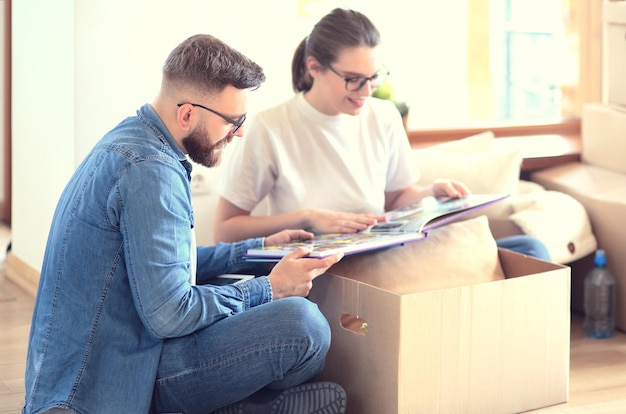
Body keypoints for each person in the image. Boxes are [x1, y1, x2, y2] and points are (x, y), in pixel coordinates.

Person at [23, 34, 349, 414]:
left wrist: (254, 250)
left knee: (260, 302)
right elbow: (171, 313)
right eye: (234, 120)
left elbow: (166, 267)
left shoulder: (131, 143)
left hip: (107, 360)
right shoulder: (150, 172)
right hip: (115, 381)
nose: (240, 132)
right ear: (188, 115)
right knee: (303, 325)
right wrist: (269, 290)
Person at [212, 8, 550, 262]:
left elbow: (395, 198)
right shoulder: (272, 127)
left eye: (374, 78)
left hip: (383, 249)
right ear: (314, 67)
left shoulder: (383, 115)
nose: (366, 91)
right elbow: (225, 230)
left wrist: (430, 194)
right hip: (324, 266)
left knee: (530, 249)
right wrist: (308, 217)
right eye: (354, 79)